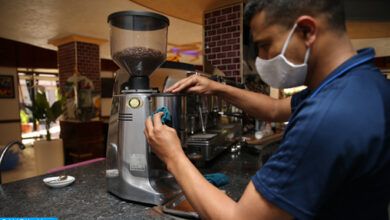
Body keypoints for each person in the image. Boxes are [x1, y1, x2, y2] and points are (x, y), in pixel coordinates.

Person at [144, 0, 390, 219]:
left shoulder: (327, 117)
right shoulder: (363, 82)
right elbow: (274, 108)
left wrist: (172, 156)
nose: (260, 59)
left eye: (264, 45)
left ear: (306, 30)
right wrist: (218, 88)